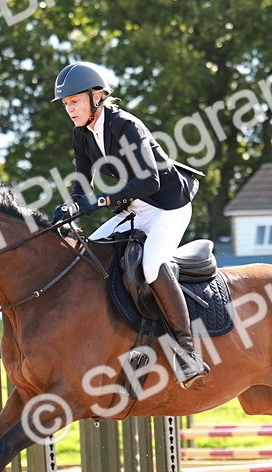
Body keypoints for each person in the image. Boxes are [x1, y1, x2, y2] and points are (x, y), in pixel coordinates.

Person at [49, 61, 209, 388]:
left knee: (151, 265)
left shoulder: (126, 127)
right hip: (135, 206)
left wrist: (104, 200)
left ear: (97, 97)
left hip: (168, 206)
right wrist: (71, 207)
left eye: (74, 101)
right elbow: (82, 183)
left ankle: (187, 350)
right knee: (89, 258)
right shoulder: (82, 134)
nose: (69, 109)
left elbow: (149, 180)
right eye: (66, 104)